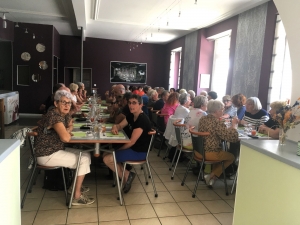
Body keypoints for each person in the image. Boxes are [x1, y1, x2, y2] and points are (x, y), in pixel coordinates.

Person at [35, 90, 94, 205]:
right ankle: (76, 196)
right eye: (63, 102)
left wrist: (67, 130)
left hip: (55, 149)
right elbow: (66, 139)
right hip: (47, 154)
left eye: (69, 103)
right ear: (56, 103)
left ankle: (74, 187)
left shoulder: (63, 114)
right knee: (84, 159)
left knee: (86, 154)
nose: (67, 105)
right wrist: (66, 133)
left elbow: (71, 123)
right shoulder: (54, 116)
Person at [102, 94, 152, 193]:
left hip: (138, 152)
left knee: (107, 158)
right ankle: (127, 175)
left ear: (141, 105)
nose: (131, 105)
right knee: (105, 153)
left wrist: (118, 150)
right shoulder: (131, 115)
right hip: (132, 148)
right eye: (129, 103)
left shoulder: (142, 120)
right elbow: (120, 125)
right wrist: (115, 127)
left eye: (134, 103)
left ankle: (127, 175)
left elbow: (131, 142)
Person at [198, 100, 239, 187]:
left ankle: (211, 178)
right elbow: (232, 138)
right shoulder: (217, 122)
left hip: (199, 151)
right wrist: (234, 125)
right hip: (211, 153)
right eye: (222, 109)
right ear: (216, 111)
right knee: (231, 157)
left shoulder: (203, 118)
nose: (223, 111)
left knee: (221, 153)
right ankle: (212, 175)